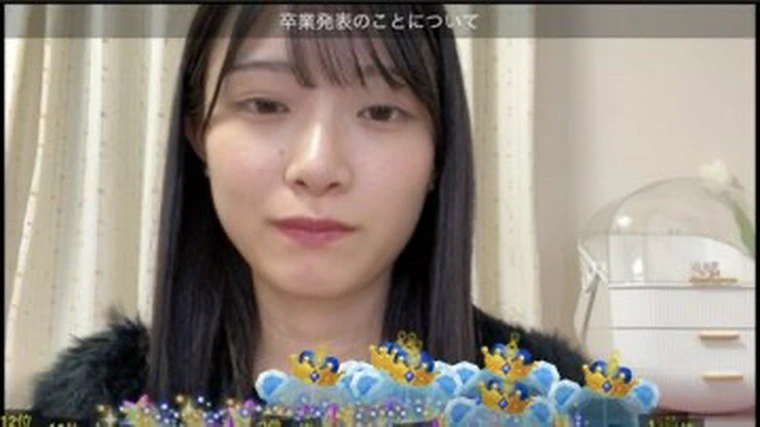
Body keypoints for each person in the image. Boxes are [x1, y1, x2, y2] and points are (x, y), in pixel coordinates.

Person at [30, 4, 586, 420]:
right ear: (198, 136)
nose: (317, 167)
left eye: (380, 111)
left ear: (439, 153)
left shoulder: (556, 402)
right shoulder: (89, 405)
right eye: (265, 104)